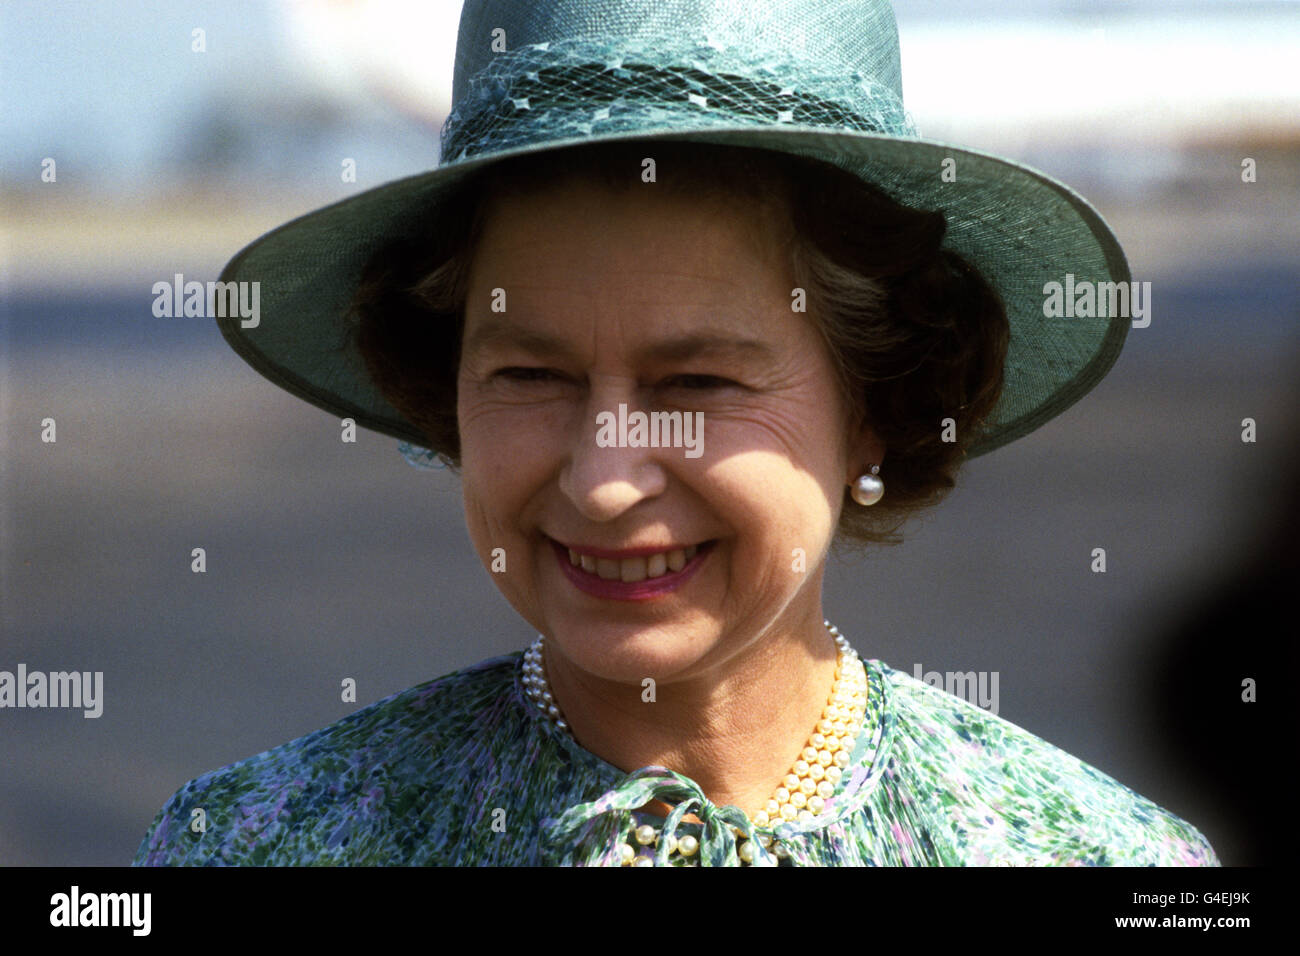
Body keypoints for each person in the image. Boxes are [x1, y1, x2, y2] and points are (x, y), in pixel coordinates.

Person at [132, 0, 1218, 866]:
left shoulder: (1097, 860)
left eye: (696, 380)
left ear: (875, 409)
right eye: (530, 373)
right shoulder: (252, 845)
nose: (606, 480)